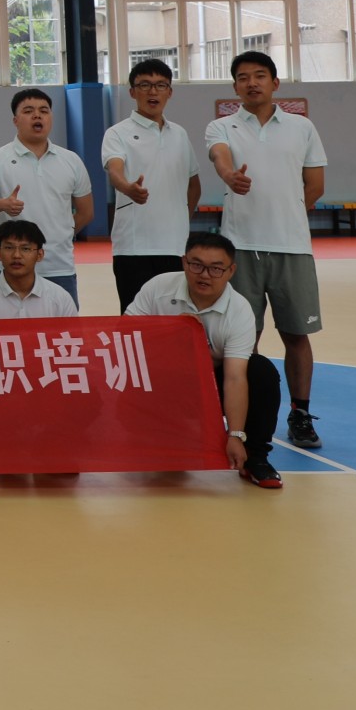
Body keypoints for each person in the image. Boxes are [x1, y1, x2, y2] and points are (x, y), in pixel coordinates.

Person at [203, 51, 327, 450]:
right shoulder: (221, 126)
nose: (251, 83)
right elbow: (220, 157)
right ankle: (249, 416)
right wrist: (229, 176)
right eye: (243, 77)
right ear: (235, 86)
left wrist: (286, 216)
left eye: (260, 76)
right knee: (244, 338)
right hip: (239, 250)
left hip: (292, 248)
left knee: (296, 334)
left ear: (275, 83)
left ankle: (300, 413)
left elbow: (315, 186)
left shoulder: (302, 127)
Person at [126, 232, 285, 489]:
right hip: (162, 381)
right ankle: (157, 436)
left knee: (261, 371)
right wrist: (172, 332)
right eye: (196, 265)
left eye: (216, 268)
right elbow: (125, 338)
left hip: (209, 385)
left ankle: (255, 457)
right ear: (184, 262)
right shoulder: (158, 288)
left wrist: (235, 435)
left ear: (231, 271)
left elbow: (234, 378)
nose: (204, 275)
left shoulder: (239, 310)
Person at [0, 88, 94, 307]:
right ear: (15, 120)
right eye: (28, 111)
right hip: (11, 266)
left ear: (51, 117)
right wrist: (2, 204)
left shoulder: (71, 160)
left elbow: (86, 212)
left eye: (44, 111)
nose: (37, 115)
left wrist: (62, 233)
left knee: (61, 327)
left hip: (59, 266)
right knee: (7, 326)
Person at [101, 58, 201, 310]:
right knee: (136, 317)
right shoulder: (117, 133)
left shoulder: (179, 134)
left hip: (176, 246)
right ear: (132, 92)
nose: (153, 91)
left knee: (175, 316)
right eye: (144, 85)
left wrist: (181, 219)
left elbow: (193, 185)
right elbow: (115, 171)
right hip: (133, 247)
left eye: (160, 85)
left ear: (170, 92)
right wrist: (128, 188)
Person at [0, 219, 77, 319]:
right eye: (9, 247)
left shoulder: (60, 299)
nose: (16, 255)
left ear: (39, 254)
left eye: (26, 249)